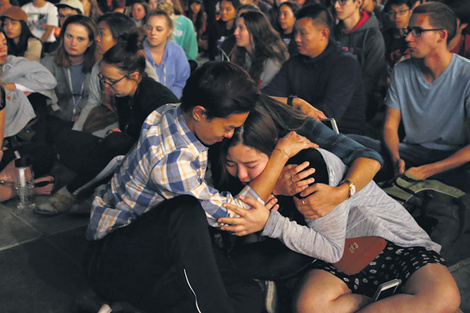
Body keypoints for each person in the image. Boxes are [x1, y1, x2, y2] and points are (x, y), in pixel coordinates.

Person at [82, 61, 317, 313]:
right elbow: (234, 214)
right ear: (200, 113)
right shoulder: (172, 161)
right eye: (228, 128)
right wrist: (279, 157)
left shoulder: (174, 111)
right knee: (186, 211)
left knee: (247, 297)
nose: (230, 135)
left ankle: (121, 308)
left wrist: (292, 103)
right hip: (116, 260)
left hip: (157, 245)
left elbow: (236, 101)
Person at [216, 97, 460, 313]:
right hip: (337, 257)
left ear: (275, 149)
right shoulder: (248, 180)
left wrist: (270, 222)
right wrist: (293, 101)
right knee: (309, 305)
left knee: (444, 298)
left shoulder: (306, 169)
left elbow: (329, 246)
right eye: (231, 165)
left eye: (250, 165)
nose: (241, 175)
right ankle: (395, 300)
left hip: (384, 240)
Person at [36, 27, 178, 215]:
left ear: (134, 76)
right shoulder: (123, 91)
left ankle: (70, 193)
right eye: (103, 79)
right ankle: (96, 192)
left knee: (115, 144)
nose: (106, 86)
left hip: (156, 162)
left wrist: (123, 139)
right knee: (67, 137)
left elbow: (159, 147)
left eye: (111, 81)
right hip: (128, 150)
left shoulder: (156, 99)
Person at [349, 2, 470, 193]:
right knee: (351, 142)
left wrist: (426, 171)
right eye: (409, 30)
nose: (408, 38)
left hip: (453, 160)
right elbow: (390, 125)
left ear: (441, 35)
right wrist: (397, 159)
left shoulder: (467, 74)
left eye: (418, 31)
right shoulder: (402, 70)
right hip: (411, 153)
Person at [263, 3, 367, 135]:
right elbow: (266, 98)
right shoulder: (294, 63)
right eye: (296, 32)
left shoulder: (345, 64)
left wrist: (289, 107)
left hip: (344, 135)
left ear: (323, 34)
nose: (297, 39)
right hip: (300, 131)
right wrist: (294, 102)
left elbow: (325, 116)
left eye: (303, 33)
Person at [73, 13, 159, 139]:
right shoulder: (98, 66)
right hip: (107, 120)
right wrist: (76, 131)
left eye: (102, 33)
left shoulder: (142, 69)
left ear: (118, 36)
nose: (97, 39)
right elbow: (92, 103)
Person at [41, 15, 97, 139]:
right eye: (69, 36)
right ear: (62, 35)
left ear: (90, 42)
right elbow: (46, 100)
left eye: (80, 39)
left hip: (90, 123)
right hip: (57, 122)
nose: (73, 43)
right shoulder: (48, 63)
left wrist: (82, 118)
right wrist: (69, 117)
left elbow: (98, 100)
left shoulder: (98, 66)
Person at [332, 0, 386, 121]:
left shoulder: (373, 36)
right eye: (334, 1)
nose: (336, 5)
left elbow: (370, 79)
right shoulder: (333, 33)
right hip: (332, 100)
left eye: (342, 1)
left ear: (358, 2)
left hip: (359, 105)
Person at [232, 10, 288, 88]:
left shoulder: (272, 60)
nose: (235, 32)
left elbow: (268, 93)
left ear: (255, 30)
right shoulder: (244, 53)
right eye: (236, 27)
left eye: (241, 28)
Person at [143, 9, 190, 98]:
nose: (153, 33)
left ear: (169, 31)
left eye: (159, 29)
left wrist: (168, 99)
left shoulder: (177, 52)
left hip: (172, 102)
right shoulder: (138, 52)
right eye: (149, 28)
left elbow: (182, 82)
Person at [381, 0, 413, 70]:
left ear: (410, 13)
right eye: (392, 13)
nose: (397, 16)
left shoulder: (416, 36)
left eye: (401, 11)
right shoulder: (383, 37)